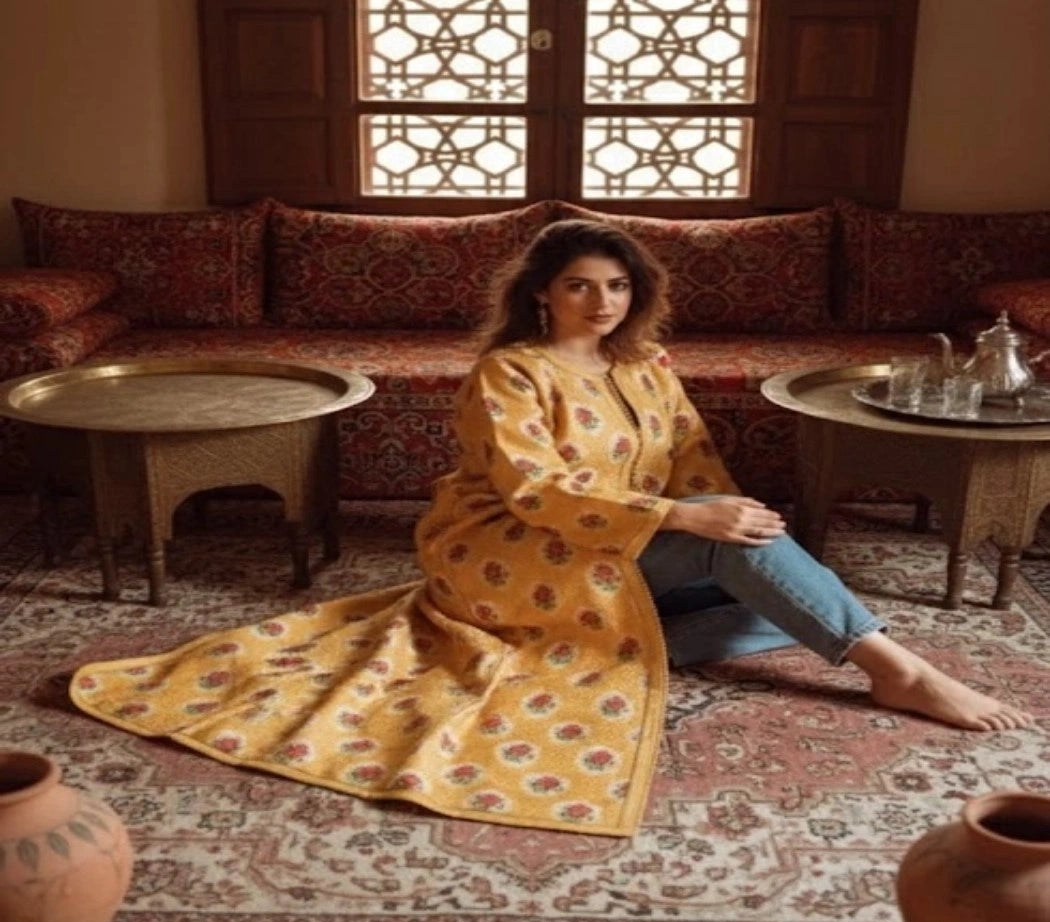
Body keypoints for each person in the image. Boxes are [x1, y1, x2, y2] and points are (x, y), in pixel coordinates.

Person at [70, 220, 1032, 838]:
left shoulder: (648, 365)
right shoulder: (511, 372)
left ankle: (657, 640)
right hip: (513, 548)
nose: (601, 302)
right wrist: (683, 518)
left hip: (625, 546)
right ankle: (894, 667)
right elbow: (532, 490)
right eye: (581, 286)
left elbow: (695, 465)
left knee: (771, 575)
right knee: (755, 564)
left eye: (616, 287)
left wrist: (718, 510)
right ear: (543, 292)